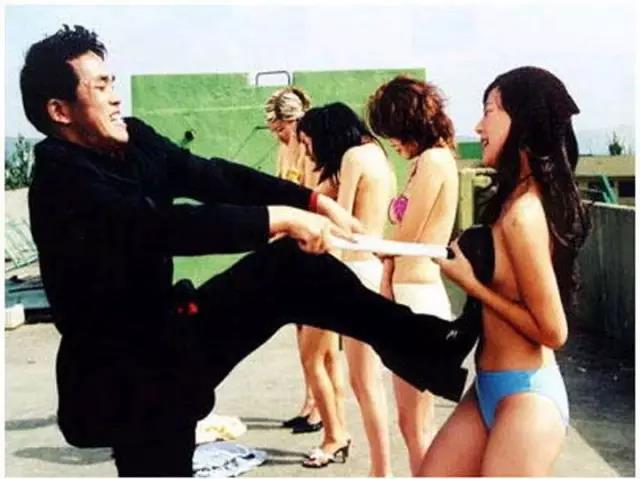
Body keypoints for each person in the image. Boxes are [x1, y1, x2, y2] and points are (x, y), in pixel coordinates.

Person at [21, 25, 476, 477]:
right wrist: (278, 219)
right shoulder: (60, 180)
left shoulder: (134, 141)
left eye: (113, 83)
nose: (115, 98)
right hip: (119, 373)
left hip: (170, 337)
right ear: (60, 111)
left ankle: (429, 348)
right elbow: (159, 227)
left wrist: (312, 201)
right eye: (100, 87)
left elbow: (213, 176)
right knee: (156, 460)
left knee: (292, 267)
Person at [419, 66, 590, 476]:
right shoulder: (513, 201)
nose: (479, 126)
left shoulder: (524, 214)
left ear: (522, 118)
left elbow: (554, 332)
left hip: (528, 396)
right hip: (487, 389)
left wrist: (471, 285)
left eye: (489, 111)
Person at [367, 76, 460, 475]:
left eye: (393, 131)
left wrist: (384, 261)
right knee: (414, 424)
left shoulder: (433, 162)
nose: (392, 141)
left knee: (416, 425)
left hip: (416, 296)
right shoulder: (430, 161)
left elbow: (408, 236)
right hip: (412, 292)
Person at [297, 102, 395, 474]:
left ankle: (346, 445)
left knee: (332, 366)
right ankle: (370, 461)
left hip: (349, 270)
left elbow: (346, 224)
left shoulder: (353, 158)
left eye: (309, 141)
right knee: (362, 379)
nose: (308, 150)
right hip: (367, 270)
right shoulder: (378, 156)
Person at [264, 86, 323, 433]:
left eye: (282, 129)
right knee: (301, 329)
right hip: (291, 243)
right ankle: (309, 401)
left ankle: (320, 410)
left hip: (311, 244)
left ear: (295, 120)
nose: (280, 136)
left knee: (316, 337)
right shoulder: (284, 150)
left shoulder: (311, 149)